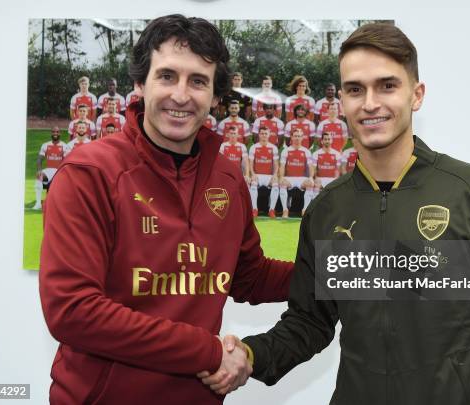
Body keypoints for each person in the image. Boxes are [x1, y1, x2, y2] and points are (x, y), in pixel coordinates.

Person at [201, 22, 470, 403]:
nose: (370, 103)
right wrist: (250, 355)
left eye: (387, 85)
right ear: (342, 104)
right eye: (355, 89)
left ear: (416, 95)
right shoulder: (325, 211)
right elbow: (309, 322)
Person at [39, 14, 293, 405]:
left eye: (198, 81)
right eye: (167, 76)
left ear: (215, 95)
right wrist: (210, 352)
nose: (181, 95)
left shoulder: (226, 177)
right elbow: (73, 311)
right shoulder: (88, 173)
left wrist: (344, 272)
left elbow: (248, 276)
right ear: (140, 84)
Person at [277, 128, 314, 218]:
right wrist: (281, 177)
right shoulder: (286, 151)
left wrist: (311, 177)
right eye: (296, 136)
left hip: (302, 178)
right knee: (282, 184)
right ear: (292, 138)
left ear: (302, 138)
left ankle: (304, 210)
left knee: (310, 184)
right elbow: (282, 166)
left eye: (299, 136)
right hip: (289, 178)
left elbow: (311, 167)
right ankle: (285, 210)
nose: (297, 138)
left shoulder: (306, 151)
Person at [32, 126, 68, 210]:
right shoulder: (45, 145)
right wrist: (39, 170)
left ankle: (58, 203)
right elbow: (39, 159)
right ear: (51, 133)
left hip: (59, 171)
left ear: (60, 133)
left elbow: (66, 161)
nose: (55, 133)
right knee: (39, 176)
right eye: (53, 132)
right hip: (48, 171)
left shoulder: (64, 146)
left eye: (57, 132)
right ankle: (38, 204)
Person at [248, 126, 280, 218]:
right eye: (262, 133)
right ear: (259, 135)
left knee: (275, 183)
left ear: (269, 135)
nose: (264, 135)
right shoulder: (254, 147)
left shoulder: (273, 148)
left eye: (266, 133)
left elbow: (276, 164)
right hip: (257, 175)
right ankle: (254, 209)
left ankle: (272, 210)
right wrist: (253, 174)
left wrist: (274, 175)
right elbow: (250, 163)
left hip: (269, 176)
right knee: (253, 183)